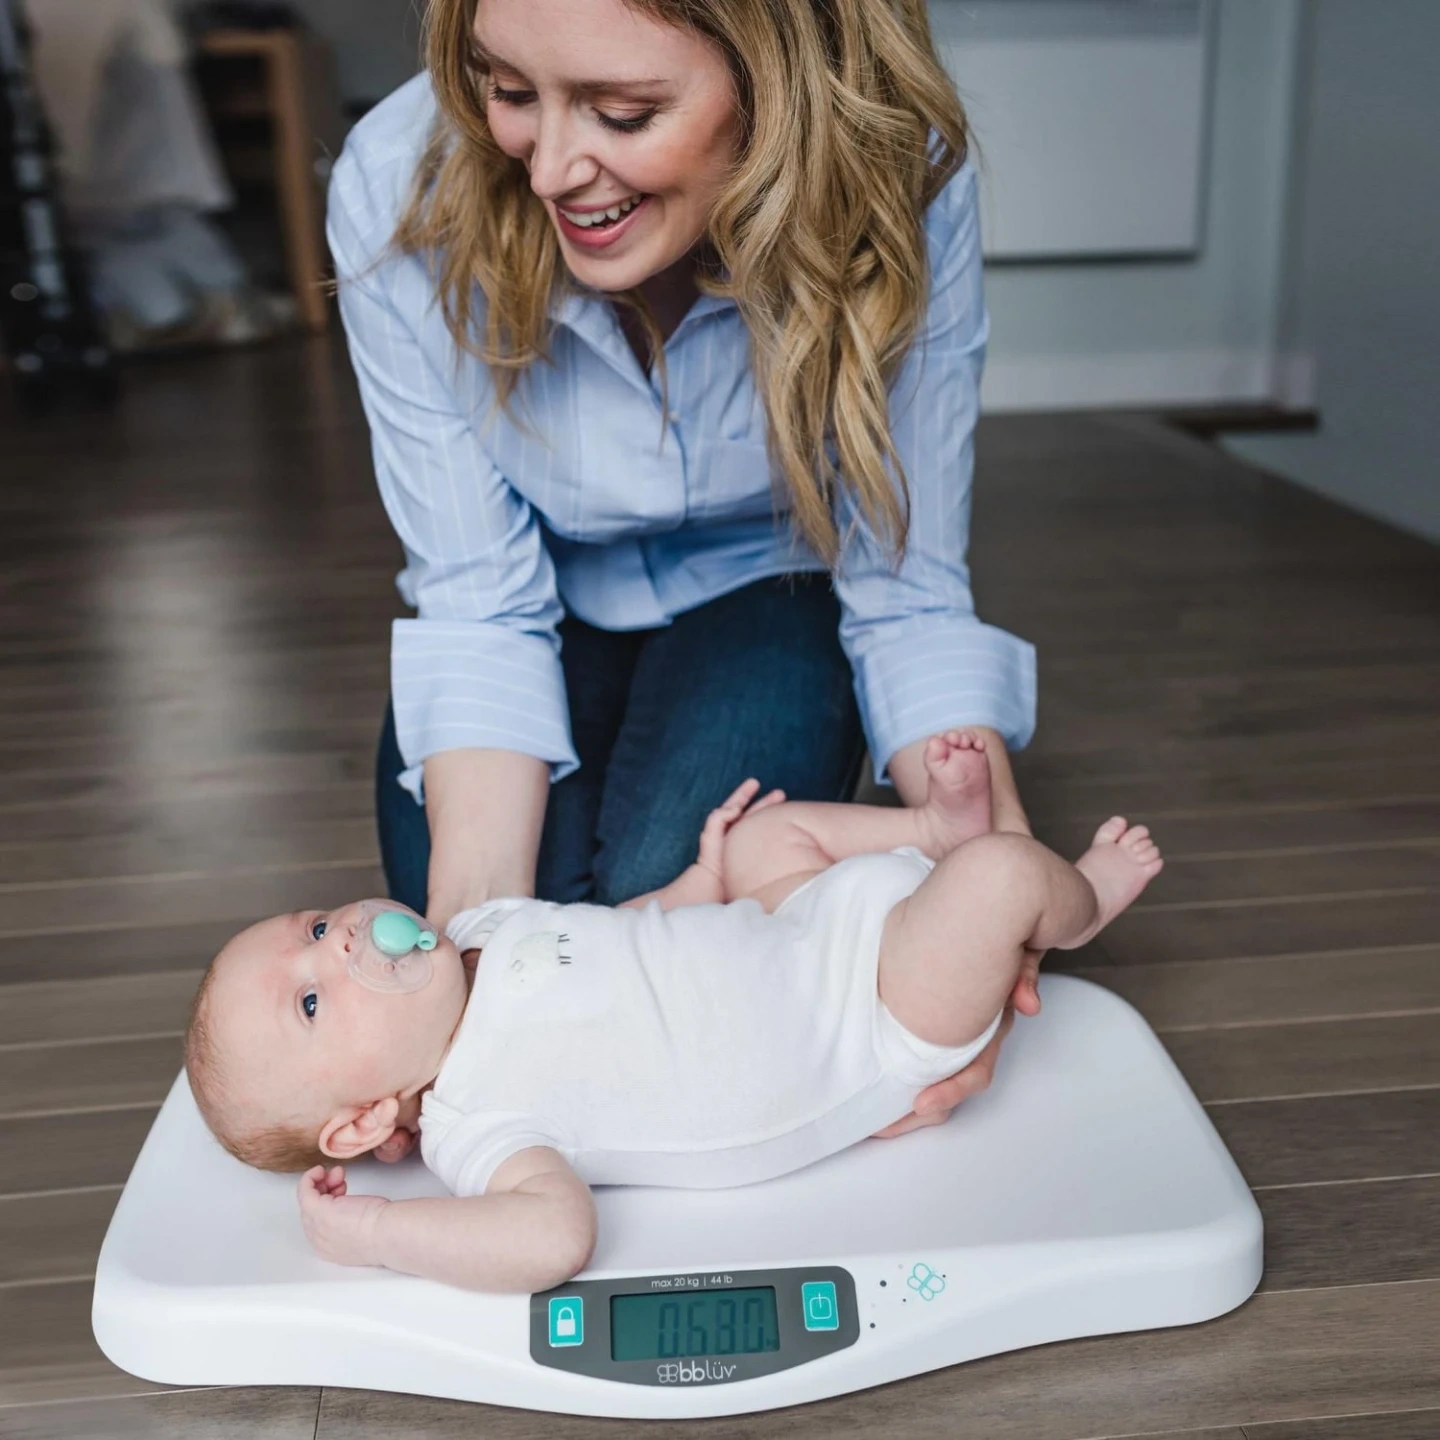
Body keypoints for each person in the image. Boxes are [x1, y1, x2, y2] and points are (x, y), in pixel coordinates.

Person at [327, 0, 1038, 1133]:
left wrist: (992, 902)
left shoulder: (905, 172)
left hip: (769, 585)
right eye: (509, 90)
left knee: (688, 939)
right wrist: (469, 979)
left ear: (780, 78)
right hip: (533, 601)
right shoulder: (393, 178)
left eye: (621, 112)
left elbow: (907, 586)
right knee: (517, 974)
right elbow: (477, 601)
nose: (550, 170)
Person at [183, 729, 1163, 1292]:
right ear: (363, 1122)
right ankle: (1078, 902)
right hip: (873, 1012)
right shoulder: (477, 1124)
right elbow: (553, 1239)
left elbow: (617, 934)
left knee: (764, 835)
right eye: (311, 999)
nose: (337, 942)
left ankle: (931, 828)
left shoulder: (478, 927)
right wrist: (377, 1238)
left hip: (793, 923)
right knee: (1001, 877)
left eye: (315, 925)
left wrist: (702, 879)